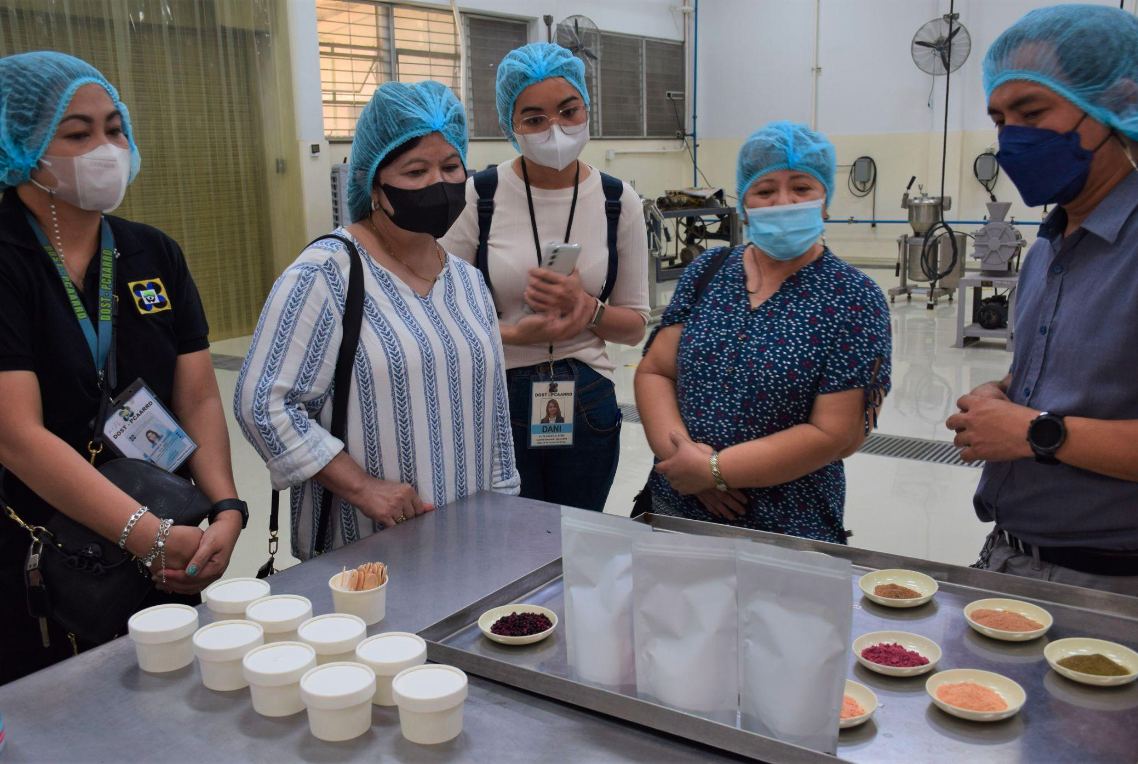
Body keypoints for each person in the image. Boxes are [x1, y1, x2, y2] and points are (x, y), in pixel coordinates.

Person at [0, 52, 245, 683]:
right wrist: (149, 535)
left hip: (167, 537)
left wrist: (224, 507)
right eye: (77, 134)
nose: (106, 148)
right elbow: (17, 436)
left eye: (114, 128)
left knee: (172, 698)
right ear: (19, 142)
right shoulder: (7, 258)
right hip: (39, 550)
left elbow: (197, 398)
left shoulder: (151, 250)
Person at [237, 81, 519, 560]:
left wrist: (504, 504)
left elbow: (492, 414)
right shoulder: (326, 274)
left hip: (469, 543)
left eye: (451, 167)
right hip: (364, 553)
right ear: (373, 182)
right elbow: (263, 402)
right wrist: (361, 487)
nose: (439, 183)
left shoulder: (469, 283)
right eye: (416, 170)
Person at [946, 5, 1138, 595]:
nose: (1012, 139)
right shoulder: (1053, 243)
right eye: (1000, 119)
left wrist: (1036, 433)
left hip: (1110, 582)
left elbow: (1044, 426)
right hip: (1016, 555)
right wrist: (1004, 393)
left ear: (1116, 106)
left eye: (1032, 112)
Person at [635, 122, 891, 543]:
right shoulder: (708, 271)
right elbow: (655, 372)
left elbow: (836, 434)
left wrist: (716, 471)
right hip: (679, 510)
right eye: (765, 191)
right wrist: (686, 465)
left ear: (825, 200)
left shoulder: (854, 298)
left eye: (802, 188)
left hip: (788, 528)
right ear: (745, 203)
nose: (783, 202)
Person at [442, 42, 649, 512]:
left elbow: (636, 324)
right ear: (510, 126)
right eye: (534, 118)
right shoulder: (479, 197)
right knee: (505, 547)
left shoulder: (619, 201)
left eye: (567, 110)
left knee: (576, 542)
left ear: (586, 110)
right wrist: (514, 333)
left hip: (589, 401)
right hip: (498, 398)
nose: (554, 128)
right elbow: (442, 320)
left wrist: (588, 309)